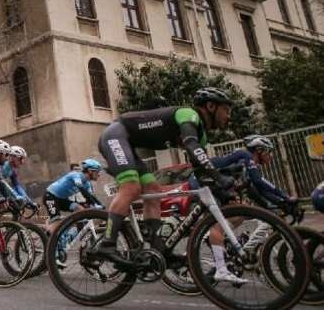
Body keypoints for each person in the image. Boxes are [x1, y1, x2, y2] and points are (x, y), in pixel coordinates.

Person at [93, 87, 235, 267]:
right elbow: (191, 145)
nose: (229, 116)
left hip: (127, 142)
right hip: (115, 134)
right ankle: (107, 244)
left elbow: (200, 168)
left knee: (153, 189)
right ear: (211, 106)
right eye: (226, 110)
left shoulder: (201, 134)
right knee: (131, 187)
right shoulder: (188, 114)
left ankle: (156, 250)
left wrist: (221, 183)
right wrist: (219, 177)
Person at [189, 134, 296, 284]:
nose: (271, 156)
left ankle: (224, 249)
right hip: (202, 181)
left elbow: (258, 191)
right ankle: (220, 264)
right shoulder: (245, 155)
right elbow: (259, 183)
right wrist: (285, 198)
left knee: (241, 212)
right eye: (269, 151)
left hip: (217, 184)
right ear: (259, 150)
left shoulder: (247, 162)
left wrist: (279, 204)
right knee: (224, 222)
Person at [44, 159, 104, 227]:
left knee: (80, 210)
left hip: (62, 199)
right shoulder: (76, 175)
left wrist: (101, 206)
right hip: (50, 196)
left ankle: (80, 234)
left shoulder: (87, 184)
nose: (99, 174)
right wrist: (94, 204)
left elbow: (91, 196)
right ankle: (50, 235)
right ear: (90, 171)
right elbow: (81, 189)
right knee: (56, 221)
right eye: (97, 172)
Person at [1, 146, 38, 210]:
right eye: (20, 159)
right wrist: (16, 196)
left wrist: (29, 201)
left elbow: (17, 186)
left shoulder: (13, 169)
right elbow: (2, 182)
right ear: (13, 158)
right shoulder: (5, 166)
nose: (22, 162)